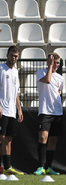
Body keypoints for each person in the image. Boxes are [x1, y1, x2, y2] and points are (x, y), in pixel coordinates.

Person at [34, 53, 64, 175]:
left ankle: (48, 167)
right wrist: (50, 67)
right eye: (53, 62)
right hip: (45, 111)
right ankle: (41, 167)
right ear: (48, 62)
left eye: (57, 63)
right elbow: (47, 80)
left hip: (57, 112)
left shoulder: (60, 78)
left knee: (53, 140)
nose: (55, 65)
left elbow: (60, 91)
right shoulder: (41, 72)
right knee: (43, 138)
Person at [0, 46, 24, 175]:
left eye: (16, 56)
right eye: (11, 55)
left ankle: (7, 167)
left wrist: (19, 110)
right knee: (1, 137)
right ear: (7, 55)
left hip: (11, 111)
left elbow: (16, 93)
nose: (13, 58)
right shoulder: (1, 69)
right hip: (2, 110)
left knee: (8, 139)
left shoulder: (15, 71)